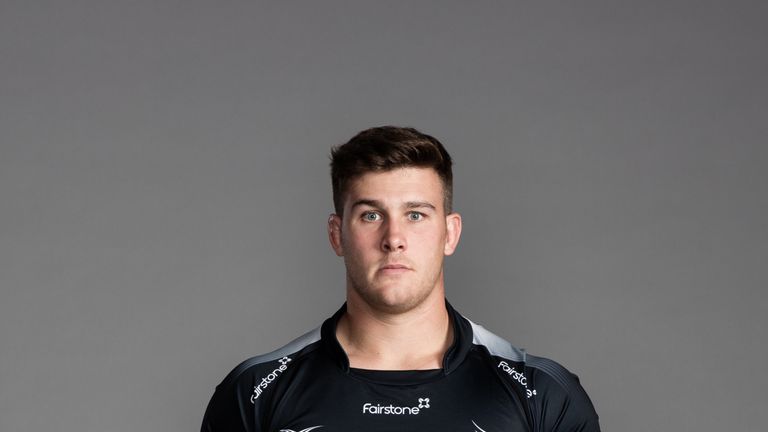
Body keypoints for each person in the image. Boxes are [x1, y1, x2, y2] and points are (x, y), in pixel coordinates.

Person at [200, 126, 601, 432]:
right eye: (371, 215)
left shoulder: (540, 393)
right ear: (337, 234)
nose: (393, 239)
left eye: (416, 215)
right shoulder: (255, 393)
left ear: (450, 233)